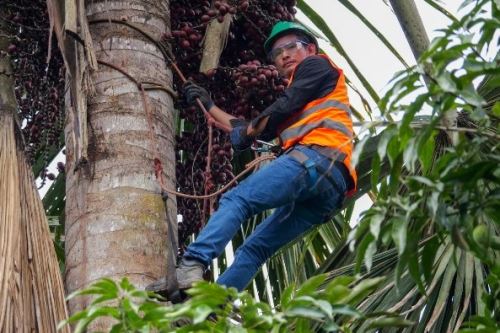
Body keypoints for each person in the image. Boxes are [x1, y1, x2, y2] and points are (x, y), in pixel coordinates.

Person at [147, 21, 357, 294]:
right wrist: (209, 105)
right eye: (276, 53)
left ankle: (191, 265)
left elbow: (278, 109)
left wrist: (248, 130)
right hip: (330, 189)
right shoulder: (309, 97)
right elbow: (247, 128)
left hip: (315, 159)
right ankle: (211, 307)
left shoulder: (316, 66)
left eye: (291, 47)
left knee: (238, 199)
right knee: (257, 248)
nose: (284, 55)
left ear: (311, 48)